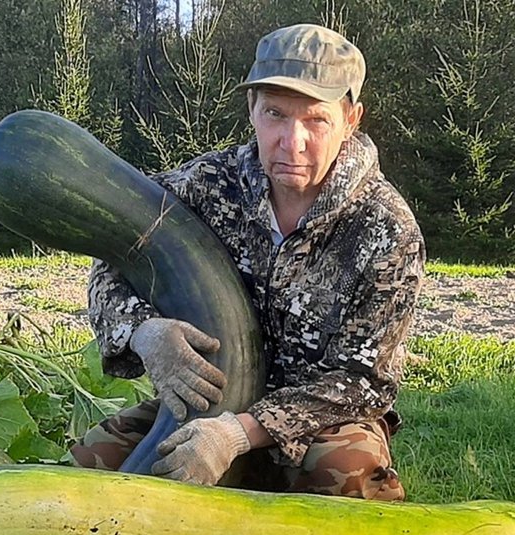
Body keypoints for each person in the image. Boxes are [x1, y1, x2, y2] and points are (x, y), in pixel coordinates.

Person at [72, 23, 424, 501]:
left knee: (349, 482)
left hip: (318, 424)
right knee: (85, 472)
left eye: (316, 120)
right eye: (275, 114)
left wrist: (238, 434)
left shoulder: (385, 228)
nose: (291, 141)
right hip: (208, 406)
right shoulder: (206, 186)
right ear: (251, 110)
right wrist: (143, 331)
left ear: (352, 118)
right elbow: (113, 252)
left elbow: (365, 383)